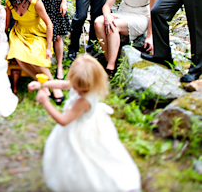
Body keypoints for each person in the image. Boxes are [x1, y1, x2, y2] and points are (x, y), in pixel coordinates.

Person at [29, 54, 141, 192]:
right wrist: (42, 84)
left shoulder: (83, 101)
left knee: (84, 157)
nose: (78, 91)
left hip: (80, 131)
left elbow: (63, 121)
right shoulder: (83, 81)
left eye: (83, 90)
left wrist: (46, 102)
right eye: (76, 86)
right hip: (85, 123)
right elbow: (64, 84)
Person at [95, 0, 160, 79]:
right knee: (98, 22)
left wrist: (149, 36)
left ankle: (110, 67)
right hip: (123, 12)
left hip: (141, 16)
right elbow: (107, 5)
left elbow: (154, 12)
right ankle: (111, 62)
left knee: (114, 25)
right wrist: (107, 16)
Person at [5, 0, 64, 104]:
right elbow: (6, 24)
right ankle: (43, 84)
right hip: (19, 32)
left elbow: (49, 24)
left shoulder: (34, 1)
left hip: (37, 32)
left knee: (34, 56)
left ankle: (54, 87)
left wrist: (49, 47)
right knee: (19, 56)